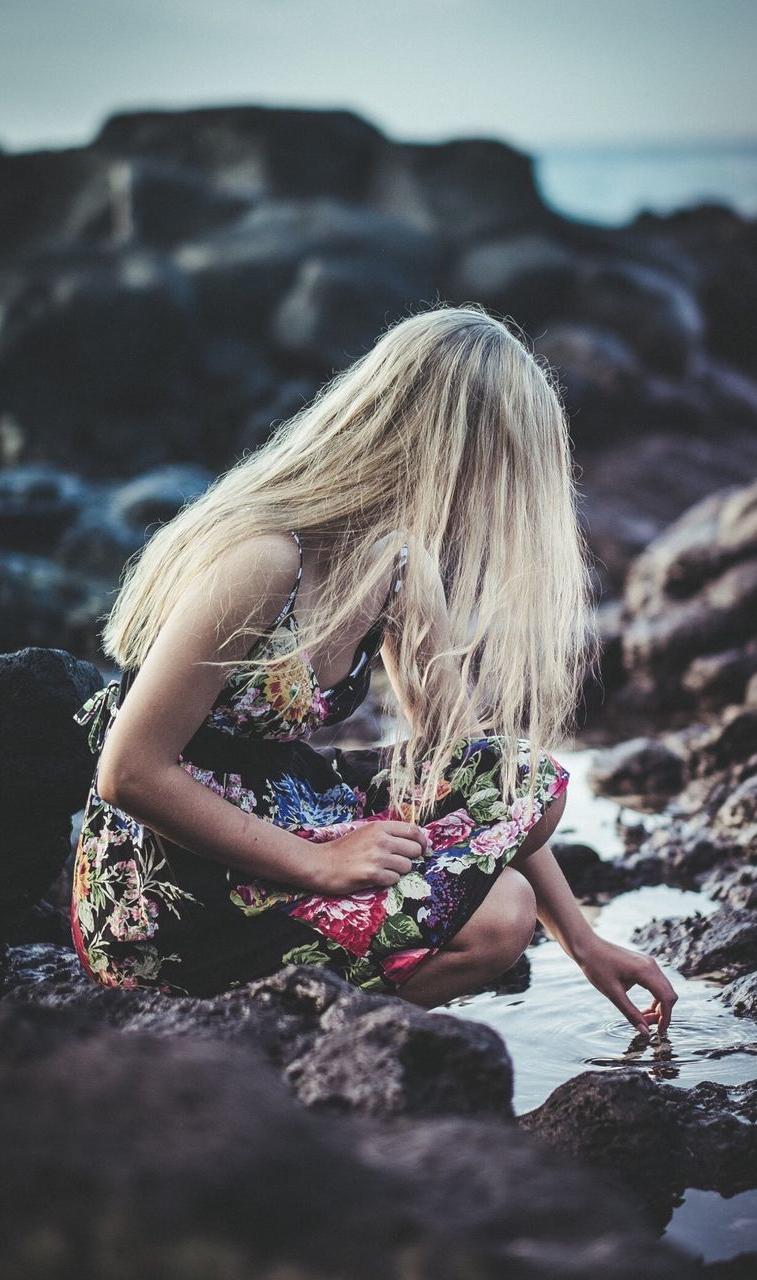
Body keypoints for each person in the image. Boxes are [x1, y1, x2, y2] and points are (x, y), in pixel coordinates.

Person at [70, 302, 677, 1034]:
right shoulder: (263, 558)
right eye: (500, 469)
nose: (499, 498)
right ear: (441, 448)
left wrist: (584, 943)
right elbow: (128, 772)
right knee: (499, 914)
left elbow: (471, 767)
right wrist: (318, 865)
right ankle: (278, 1034)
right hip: (173, 874)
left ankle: (315, 1027)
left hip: (281, 808)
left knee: (524, 780)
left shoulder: (394, 563)